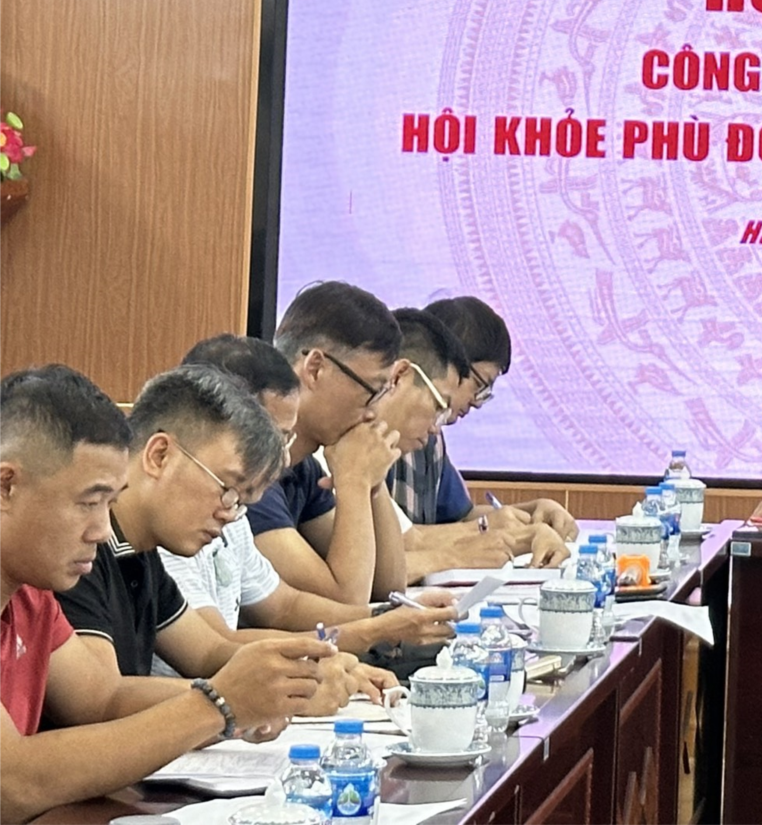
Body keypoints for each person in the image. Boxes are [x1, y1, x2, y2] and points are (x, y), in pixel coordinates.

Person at [0, 365, 331, 825]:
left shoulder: (32, 596)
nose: (102, 530)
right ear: (6, 486)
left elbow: (102, 699)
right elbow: (12, 782)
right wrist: (216, 705)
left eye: (109, 502)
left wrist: (241, 699)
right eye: (88, 502)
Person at [53, 366, 374, 714]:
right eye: (226, 489)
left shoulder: (141, 554)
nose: (228, 514)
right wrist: (238, 699)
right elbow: (101, 700)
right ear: (160, 455)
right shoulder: (78, 549)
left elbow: (209, 652)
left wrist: (309, 669)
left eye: (239, 502)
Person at [166, 337, 457, 666]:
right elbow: (214, 650)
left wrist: (390, 617)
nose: (281, 457)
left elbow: (285, 605)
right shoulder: (180, 518)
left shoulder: (236, 505)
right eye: (270, 438)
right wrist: (376, 630)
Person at [247, 282, 408, 603]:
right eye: (371, 390)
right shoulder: (250, 470)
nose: (374, 412)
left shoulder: (303, 469)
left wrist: (373, 483)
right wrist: (355, 481)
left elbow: (388, 587)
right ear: (315, 369)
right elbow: (346, 600)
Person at [392, 296, 577, 567]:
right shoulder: (375, 438)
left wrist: (529, 514)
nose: (477, 402)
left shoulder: (430, 437)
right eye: (479, 386)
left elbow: (457, 517)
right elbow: (402, 542)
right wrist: (485, 531)